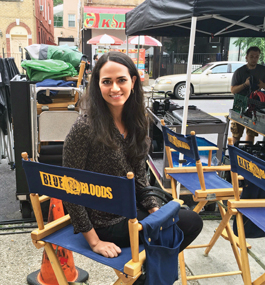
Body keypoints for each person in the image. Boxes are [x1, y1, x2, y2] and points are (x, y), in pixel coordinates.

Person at [63, 51, 203, 276]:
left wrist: (154, 207)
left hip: (133, 210)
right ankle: (147, 279)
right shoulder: (84, 128)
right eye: (106, 82)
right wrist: (94, 241)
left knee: (181, 217)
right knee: (189, 222)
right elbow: (69, 188)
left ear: (133, 81)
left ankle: (144, 278)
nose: (114, 88)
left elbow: (140, 178)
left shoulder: (138, 122)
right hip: (104, 221)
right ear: (97, 85)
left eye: (121, 80)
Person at [231, 46, 265, 144]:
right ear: (246, 57)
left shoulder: (262, 70)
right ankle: (235, 151)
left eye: (256, 57)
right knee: (236, 132)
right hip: (240, 103)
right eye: (251, 56)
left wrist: (263, 85)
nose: (254, 59)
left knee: (251, 132)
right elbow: (233, 90)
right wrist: (245, 84)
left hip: (256, 105)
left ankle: (247, 152)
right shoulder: (239, 72)